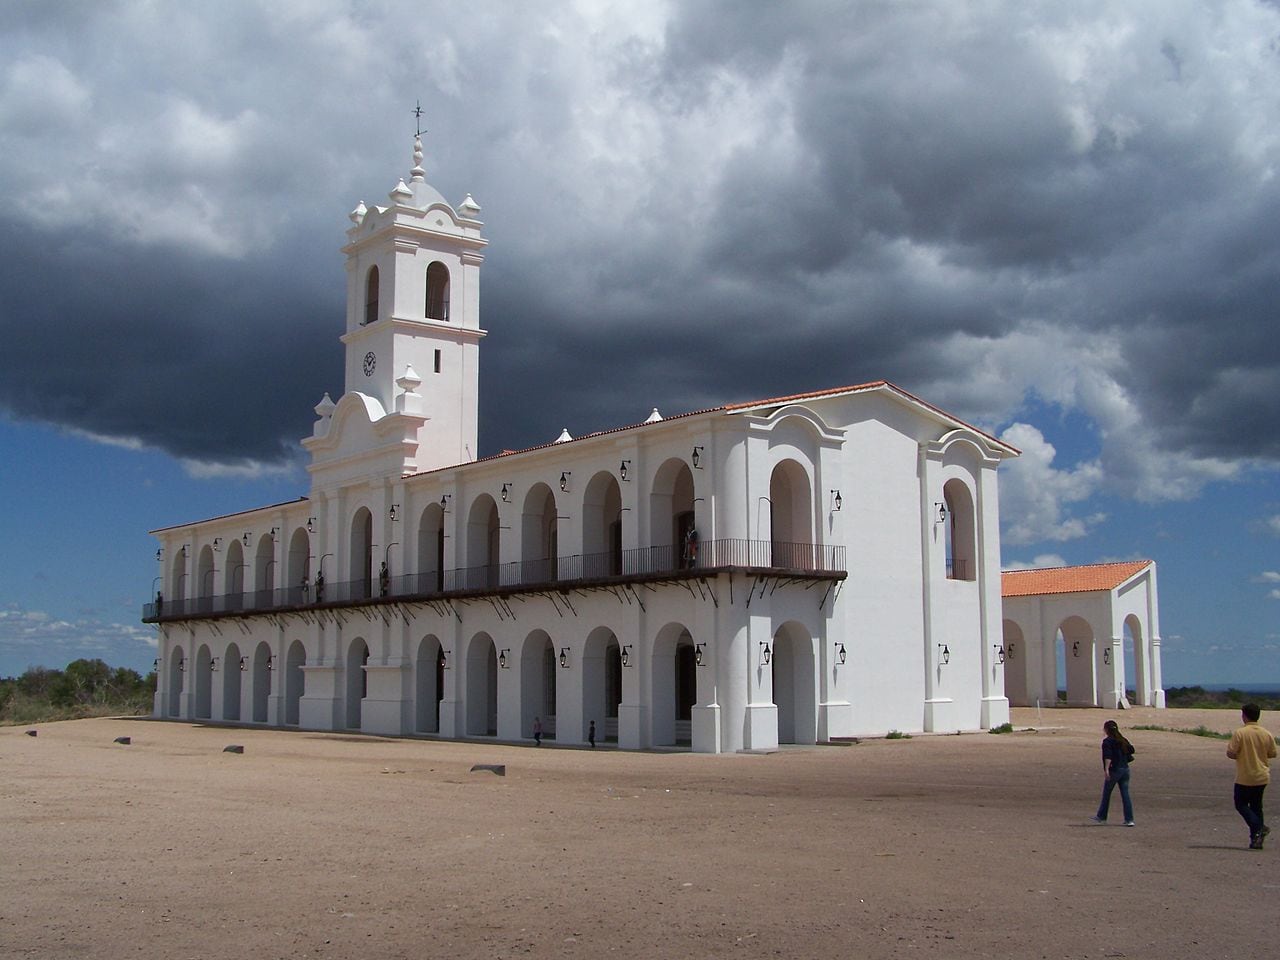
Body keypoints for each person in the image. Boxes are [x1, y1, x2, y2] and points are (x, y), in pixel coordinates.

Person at [1227, 703, 1276, 850]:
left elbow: (1231, 752)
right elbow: (1272, 753)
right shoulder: (1266, 733)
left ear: (1245, 716)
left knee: (1240, 804)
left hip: (1245, 775)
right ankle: (1256, 839)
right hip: (1261, 775)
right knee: (1256, 806)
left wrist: (1240, 754)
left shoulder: (1240, 733)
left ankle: (1259, 827)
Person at [1089, 719, 1135, 826]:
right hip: (1125, 769)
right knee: (1125, 794)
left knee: (1107, 793)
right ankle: (1129, 819)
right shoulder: (1122, 739)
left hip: (1115, 770)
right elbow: (1131, 750)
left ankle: (1102, 816)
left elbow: (1108, 757)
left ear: (1106, 730)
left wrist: (1106, 770)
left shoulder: (1107, 742)